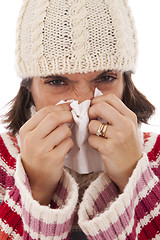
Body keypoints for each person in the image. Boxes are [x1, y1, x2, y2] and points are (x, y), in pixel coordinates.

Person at [0, 0, 160, 239]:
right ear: (28, 87)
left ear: (126, 82)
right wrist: (37, 187)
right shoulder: (3, 162)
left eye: (105, 78)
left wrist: (132, 175)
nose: (84, 101)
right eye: (57, 82)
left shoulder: (155, 155)